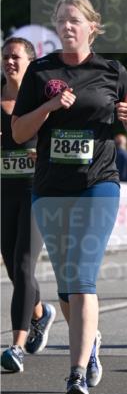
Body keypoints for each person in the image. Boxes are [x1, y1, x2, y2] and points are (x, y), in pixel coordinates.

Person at [12, 0, 127, 394]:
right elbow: (18, 133)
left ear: (92, 26)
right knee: (67, 285)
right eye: (61, 21)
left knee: (83, 276)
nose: (67, 27)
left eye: (75, 21)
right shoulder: (41, 71)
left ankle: (76, 376)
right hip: (50, 187)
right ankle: (92, 340)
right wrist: (50, 106)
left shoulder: (111, 70)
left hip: (97, 184)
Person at [1, 37, 56, 373]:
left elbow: (58, 136)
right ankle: (40, 313)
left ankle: (16, 345)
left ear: (30, 62)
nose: (9, 62)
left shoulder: (39, 97)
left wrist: (43, 153)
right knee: (11, 268)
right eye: (5, 57)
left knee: (23, 265)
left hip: (36, 191)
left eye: (15, 57)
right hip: (3, 192)